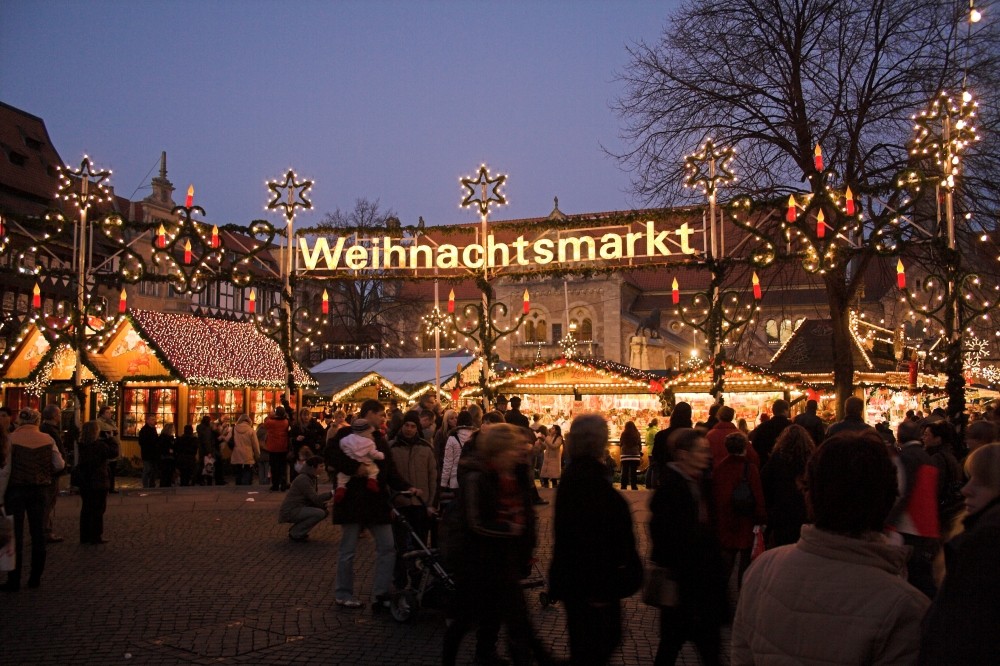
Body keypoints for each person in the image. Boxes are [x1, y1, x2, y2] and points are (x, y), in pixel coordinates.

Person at [732, 431, 929, 664]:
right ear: (887, 498)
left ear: (810, 492)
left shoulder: (762, 570)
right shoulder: (907, 607)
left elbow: (742, 655)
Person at [441, 424, 543, 666]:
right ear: (500, 449)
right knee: (467, 619)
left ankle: (489, 653)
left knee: (509, 618)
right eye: (514, 447)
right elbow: (475, 522)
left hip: (502, 561)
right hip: (477, 561)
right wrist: (510, 529)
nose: (520, 450)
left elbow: (523, 510)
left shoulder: (511, 473)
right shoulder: (477, 476)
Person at [549, 413, 642, 665]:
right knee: (596, 647)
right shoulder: (589, 481)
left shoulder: (574, 476)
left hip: (579, 581)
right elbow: (594, 536)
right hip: (594, 585)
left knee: (590, 647)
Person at [327, 399, 418, 610]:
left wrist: (407, 486)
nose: (383, 418)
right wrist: (354, 467)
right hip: (352, 499)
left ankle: (381, 593)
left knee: (387, 547)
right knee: (348, 550)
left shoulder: (379, 439)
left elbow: (389, 469)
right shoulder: (344, 433)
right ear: (368, 413)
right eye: (380, 414)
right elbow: (331, 455)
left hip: (376, 501)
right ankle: (343, 593)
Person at [649, 427, 727, 666]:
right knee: (680, 645)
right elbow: (665, 539)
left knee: (684, 645)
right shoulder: (672, 489)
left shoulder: (700, 484)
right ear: (683, 454)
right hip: (685, 586)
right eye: (700, 451)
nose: (707, 455)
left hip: (698, 587)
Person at [919, 443, 1000, 664]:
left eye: (982, 483)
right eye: (970, 479)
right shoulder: (969, 537)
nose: (967, 489)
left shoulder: (983, 547)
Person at [2, 408, 66, 591]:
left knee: (15, 535)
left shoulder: (11, 439)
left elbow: (5, 470)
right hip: (39, 490)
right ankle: (35, 577)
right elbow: (59, 464)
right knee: (37, 534)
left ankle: (14, 579)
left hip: (15, 490)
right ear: (37, 421)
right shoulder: (47, 439)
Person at [886, 419, 940, 598]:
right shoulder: (927, 458)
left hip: (909, 525)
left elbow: (901, 492)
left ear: (899, 436)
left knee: (916, 578)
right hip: (927, 524)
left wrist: (889, 522)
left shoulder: (905, 458)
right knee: (923, 576)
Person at [712, 431, 767, 592]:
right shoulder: (750, 469)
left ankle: (722, 592)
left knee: (727, 560)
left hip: (726, 520)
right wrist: (761, 518)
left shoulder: (720, 467)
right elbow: (758, 495)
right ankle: (742, 593)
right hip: (745, 520)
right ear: (744, 447)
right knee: (745, 560)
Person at [388, 411, 437, 589]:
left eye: (413, 426)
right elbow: (386, 477)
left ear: (417, 428)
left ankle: (418, 582)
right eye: (407, 425)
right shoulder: (392, 448)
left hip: (421, 505)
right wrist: (390, 505)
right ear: (402, 426)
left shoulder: (425, 448)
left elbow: (433, 477)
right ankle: (400, 582)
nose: (409, 429)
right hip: (400, 504)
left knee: (420, 546)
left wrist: (430, 503)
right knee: (399, 547)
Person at [760, 424, 816, 548]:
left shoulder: (777, 459)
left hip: (782, 510)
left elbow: (765, 482)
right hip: (804, 510)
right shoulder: (812, 460)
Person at [278, 455, 331, 542]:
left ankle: (298, 530)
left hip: (298, 508)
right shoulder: (304, 479)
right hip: (291, 510)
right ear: (314, 467)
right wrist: (331, 494)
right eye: (321, 466)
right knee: (319, 513)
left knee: (323, 512)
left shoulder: (311, 477)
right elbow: (315, 498)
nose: (323, 468)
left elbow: (312, 499)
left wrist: (324, 505)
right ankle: (296, 532)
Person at [923, 420, 964, 528]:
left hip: (942, 509)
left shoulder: (938, 458)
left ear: (938, 439)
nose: (923, 438)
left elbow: (935, 486)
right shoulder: (949, 455)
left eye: (927, 435)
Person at [75, 420, 110, 545]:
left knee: (86, 508)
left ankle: (84, 536)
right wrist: (109, 439)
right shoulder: (99, 446)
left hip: (85, 481)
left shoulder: (82, 444)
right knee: (98, 509)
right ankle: (96, 535)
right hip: (98, 481)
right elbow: (112, 452)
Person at [334, 419, 384, 502]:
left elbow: (341, 448)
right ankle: (372, 481)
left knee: (341, 477)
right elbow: (374, 454)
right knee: (374, 469)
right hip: (366, 464)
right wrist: (381, 455)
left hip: (350, 463)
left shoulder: (346, 439)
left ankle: (340, 488)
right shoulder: (369, 443)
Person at [39, 404, 67, 543]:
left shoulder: (48, 429)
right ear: (54, 416)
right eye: (59, 414)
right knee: (47, 503)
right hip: (51, 472)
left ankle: (44, 530)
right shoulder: (48, 431)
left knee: (48, 503)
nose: (60, 416)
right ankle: (44, 532)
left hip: (51, 471)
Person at [649, 402, 693, 488]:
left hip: (666, 479)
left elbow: (656, 456)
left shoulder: (661, 435)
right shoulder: (695, 436)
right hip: (687, 481)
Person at [440, 410, 476, 510]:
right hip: (471, 477)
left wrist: (443, 483)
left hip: (455, 479)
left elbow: (448, 463)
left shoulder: (452, 438)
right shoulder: (476, 437)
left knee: (458, 506)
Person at [706, 405, 760, 470]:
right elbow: (753, 457)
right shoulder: (740, 435)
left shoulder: (710, 435)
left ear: (718, 416)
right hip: (738, 473)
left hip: (717, 473)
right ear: (732, 417)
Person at [750, 398, 793, 466]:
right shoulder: (792, 427)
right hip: (787, 465)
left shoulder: (763, 427)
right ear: (786, 410)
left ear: (773, 411)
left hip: (766, 465)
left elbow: (755, 445)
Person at [289, 408, 324, 483]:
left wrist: (319, 443)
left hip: (312, 451)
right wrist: (296, 439)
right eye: (304, 415)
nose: (306, 417)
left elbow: (323, 434)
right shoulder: (296, 426)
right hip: (299, 452)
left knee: (311, 471)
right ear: (301, 416)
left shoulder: (315, 425)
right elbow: (290, 437)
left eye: (308, 415)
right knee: (299, 472)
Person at [263, 407, 290, 491]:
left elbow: (265, 423)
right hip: (283, 447)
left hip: (273, 448)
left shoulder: (271, 422)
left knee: (274, 468)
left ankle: (275, 485)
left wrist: (270, 415)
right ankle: (283, 484)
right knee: (282, 467)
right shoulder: (285, 422)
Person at [230, 414, 261, 485]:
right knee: (247, 470)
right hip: (248, 453)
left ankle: (238, 485)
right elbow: (255, 444)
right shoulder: (251, 430)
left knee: (238, 471)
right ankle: (246, 486)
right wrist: (257, 454)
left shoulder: (234, 429)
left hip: (236, 452)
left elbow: (228, 439)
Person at [96, 406, 120, 494]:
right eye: (107, 412)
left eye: (110, 412)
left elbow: (115, 432)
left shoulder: (111, 422)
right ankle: (106, 487)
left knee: (113, 470)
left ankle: (111, 487)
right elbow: (105, 433)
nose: (110, 414)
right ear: (102, 413)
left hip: (113, 447)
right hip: (107, 448)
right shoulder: (99, 422)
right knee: (107, 470)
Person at [618, 420, 643, 490]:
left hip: (625, 455)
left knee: (624, 471)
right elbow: (639, 444)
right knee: (633, 472)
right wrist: (639, 450)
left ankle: (623, 486)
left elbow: (621, 443)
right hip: (635, 455)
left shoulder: (623, 433)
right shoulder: (637, 433)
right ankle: (634, 486)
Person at [540, 423, 564, 489]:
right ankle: (546, 489)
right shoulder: (549, 437)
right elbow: (545, 446)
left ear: (557, 431)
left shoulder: (559, 438)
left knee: (554, 478)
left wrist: (545, 439)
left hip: (554, 459)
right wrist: (541, 442)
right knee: (545, 477)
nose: (551, 429)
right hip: (547, 458)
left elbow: (554, 446)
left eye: (553, 428)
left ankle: (553, 493)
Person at [157, 423, 176, 488]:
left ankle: (166, 487)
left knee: (168, 475)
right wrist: (169, 450)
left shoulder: (169, 437)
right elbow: (161, 448)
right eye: (173, 428)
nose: (174, 430)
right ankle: (164, 488)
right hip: (165, 458)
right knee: (165, 475)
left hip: (168, 459)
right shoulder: (164, 438)